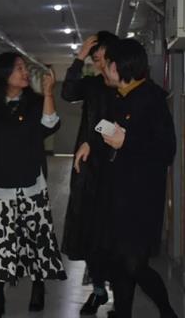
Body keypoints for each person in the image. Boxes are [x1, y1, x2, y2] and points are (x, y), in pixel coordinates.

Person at [0, 52, 66, 318]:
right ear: (3, 74)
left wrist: (48, 93)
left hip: (31, 185)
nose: (25, 72)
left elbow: (50, 124)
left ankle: (38, 287)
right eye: (18, 68)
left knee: (36, 241)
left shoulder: (35, 102)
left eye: (25, 68)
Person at [99, 39, 177, 318]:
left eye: (106, 64)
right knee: (119, 263)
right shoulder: (120, 96)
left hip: (141, 201)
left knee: (134, 265)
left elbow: (166, 149)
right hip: (118, 197)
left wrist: (127, 141)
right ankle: (122, 313)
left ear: (119, 66)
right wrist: (91, 143)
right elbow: (112, 135)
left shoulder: (151, 99)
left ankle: (167, 312)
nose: (103, 69)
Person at [60, 31, 118, 315]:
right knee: (89, 233)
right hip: (89, 170)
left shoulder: (127, 88)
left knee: (114, 235)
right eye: (95, 59)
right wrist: (79, 57)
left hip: (118, 170)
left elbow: (122, 126)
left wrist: (93, 140)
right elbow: (68, 92)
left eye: (103, 58)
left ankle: (120, 293)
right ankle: (97, 290)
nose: (99, 64)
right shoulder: (94, 85)